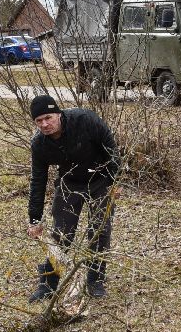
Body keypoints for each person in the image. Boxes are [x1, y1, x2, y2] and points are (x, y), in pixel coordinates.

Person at [26, 93, 122, 300]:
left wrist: (115, 181)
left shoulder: (85, 120)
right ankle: (47, 284)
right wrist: (35, 219)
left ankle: (95, 280)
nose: (44, 124)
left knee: (100, 231)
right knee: (61, 234)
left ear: (58, 114)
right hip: (70, 183)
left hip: (101, 180)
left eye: (48, 118)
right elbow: (38, 181)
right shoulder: (39, 145)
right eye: (39, 121)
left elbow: (112, 150)